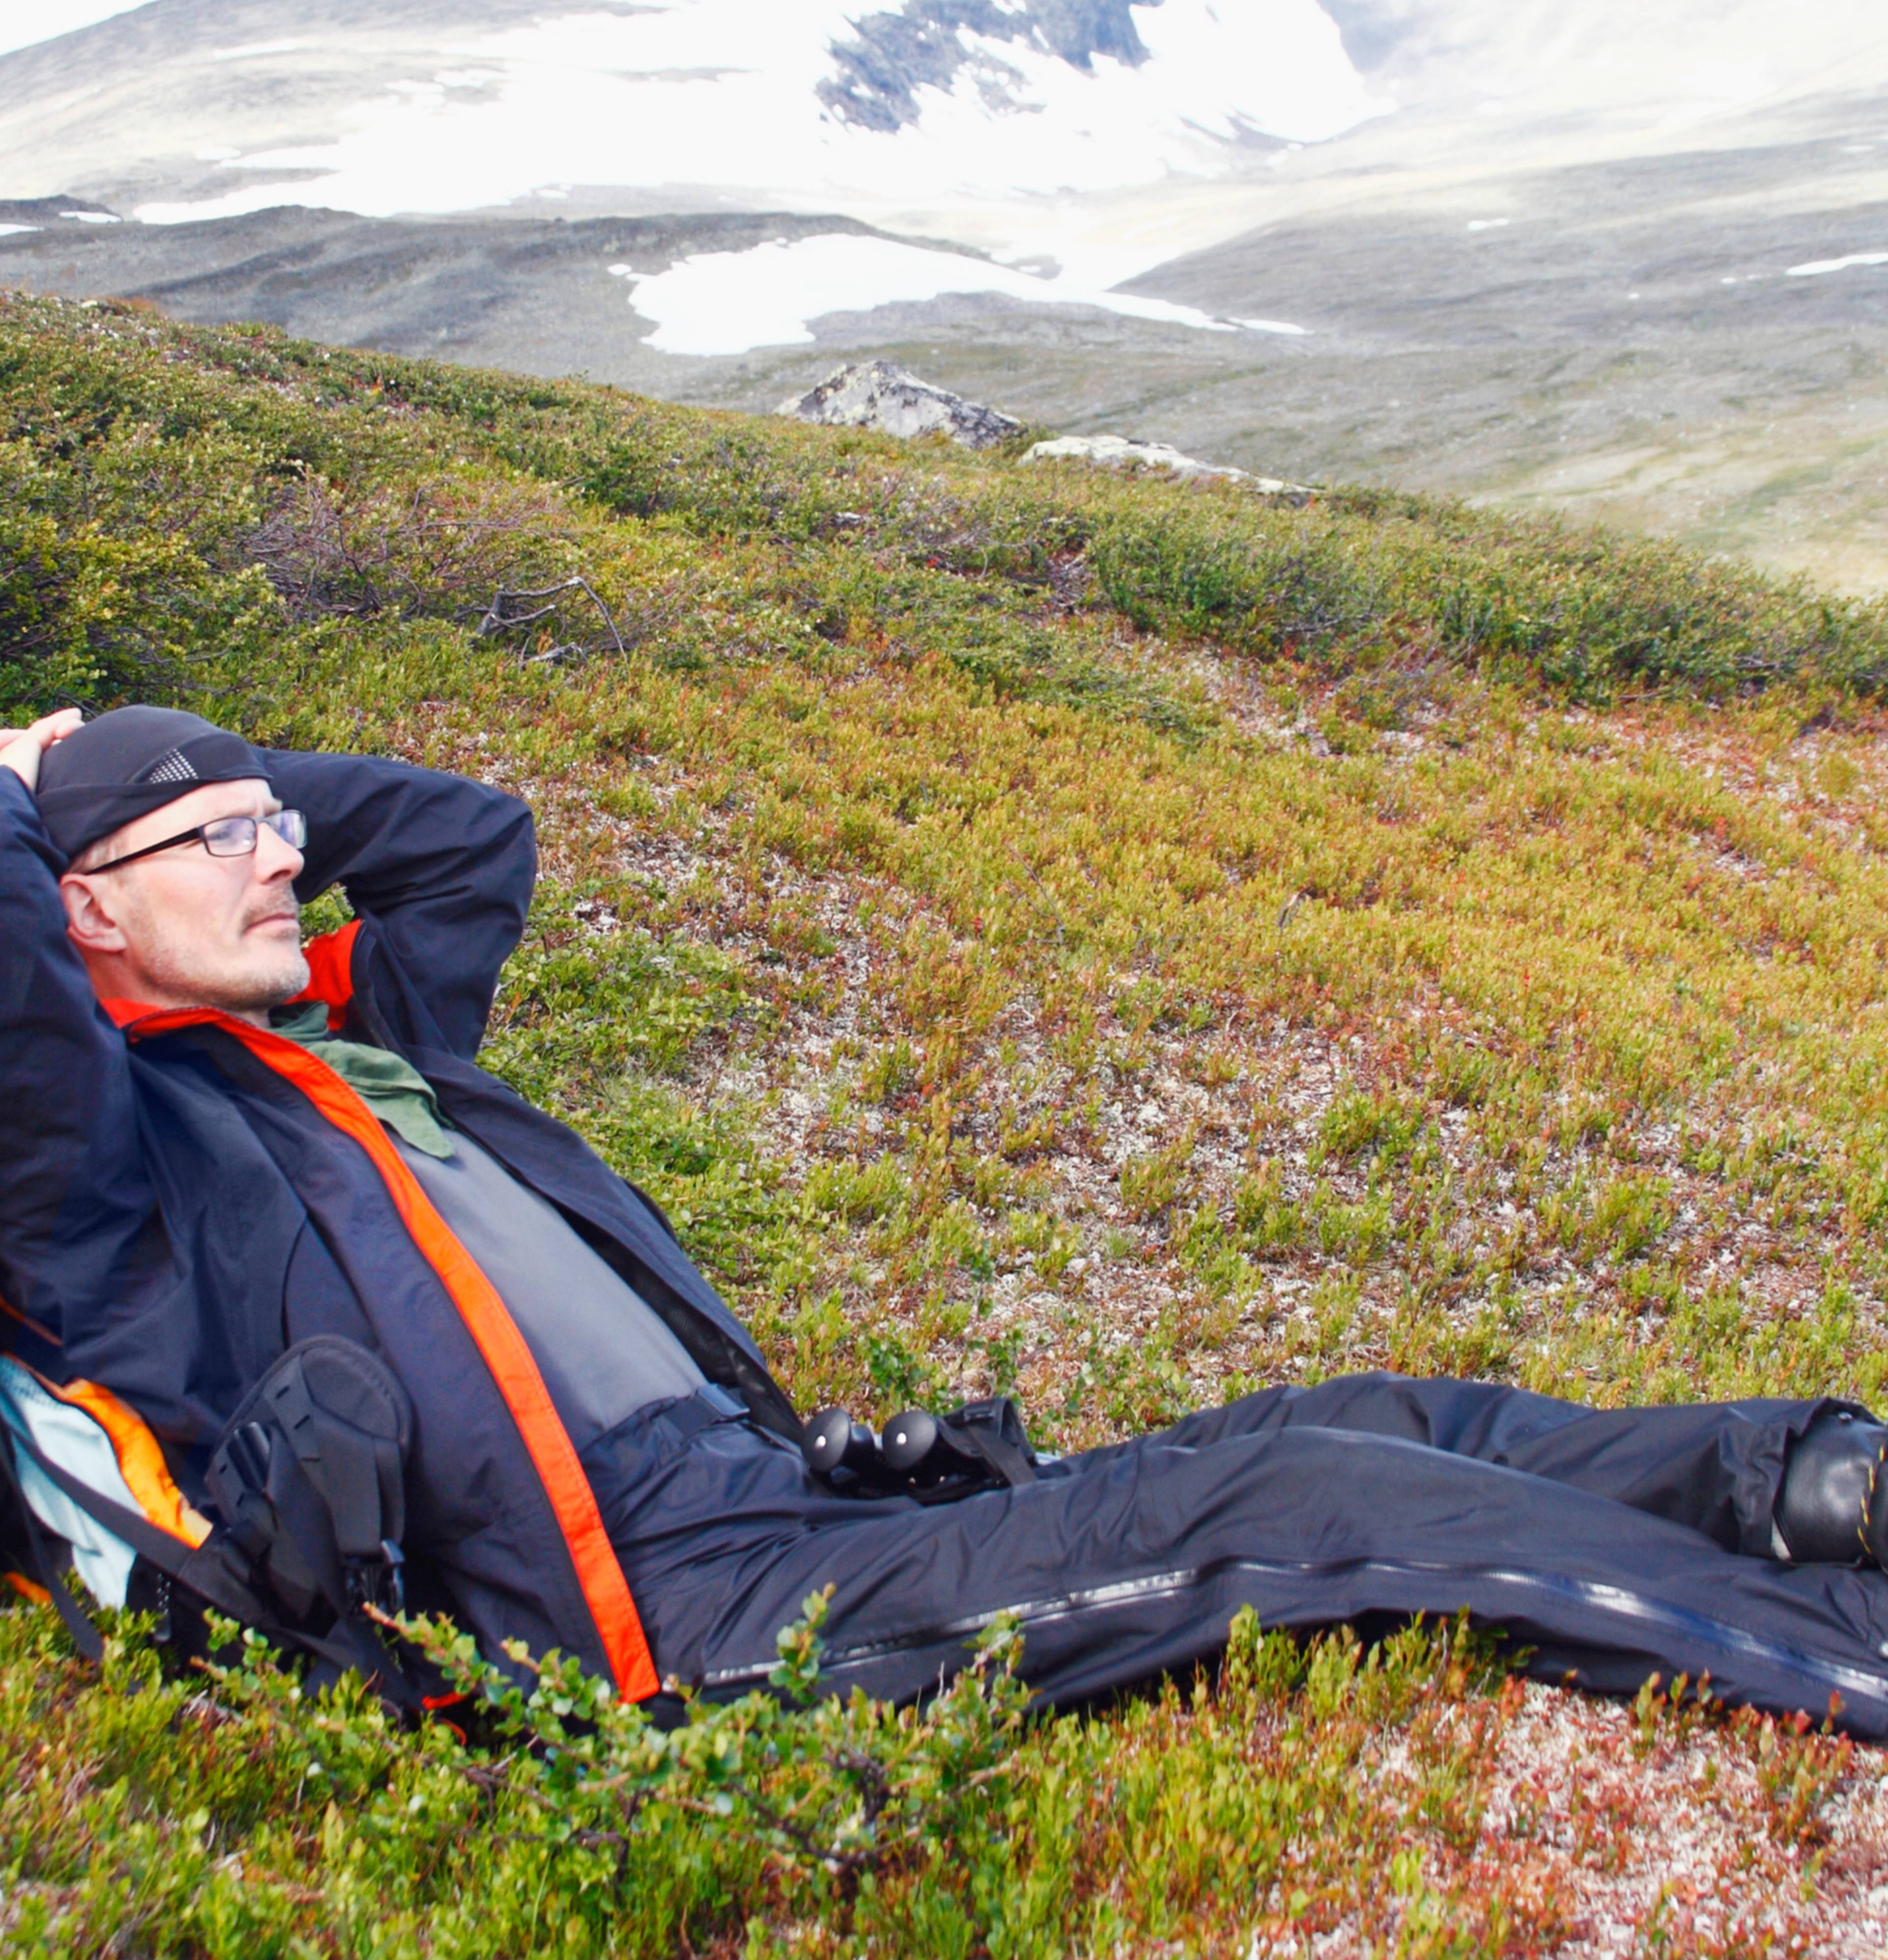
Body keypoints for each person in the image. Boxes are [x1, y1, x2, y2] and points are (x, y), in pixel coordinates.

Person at [5, 703, 1888, 1732]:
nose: (284, 858)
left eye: (279, 827)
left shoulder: (355, 1048)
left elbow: (467, 837)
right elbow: (26, 1029)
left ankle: (1813, 1485)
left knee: (1371, 1411)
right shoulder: (124, 1182)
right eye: (223, 841)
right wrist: (32, 800)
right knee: (1300, 1503)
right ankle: (1843, 1652)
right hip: (655, 1618)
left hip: (783, 1500)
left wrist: (198, 778)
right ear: (85, 907)